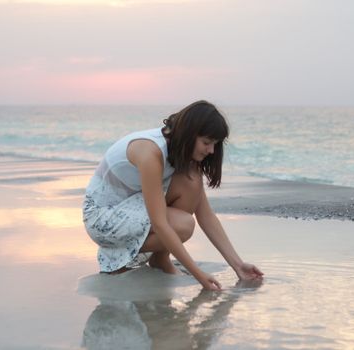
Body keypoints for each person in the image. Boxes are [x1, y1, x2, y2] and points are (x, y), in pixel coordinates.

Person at [82, 100, 263, 291]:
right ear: (190, 134)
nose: (211, 151)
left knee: (191, 180)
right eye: (207, 143)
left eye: (215, 144)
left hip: (130, 208)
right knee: (183, 225)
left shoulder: (180, 153)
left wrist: (238, 265)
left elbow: (206, 215)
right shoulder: (150, 152)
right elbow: (159, 223)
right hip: (101, 219)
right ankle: (116, 252)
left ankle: (160, 259)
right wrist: (198, 274)